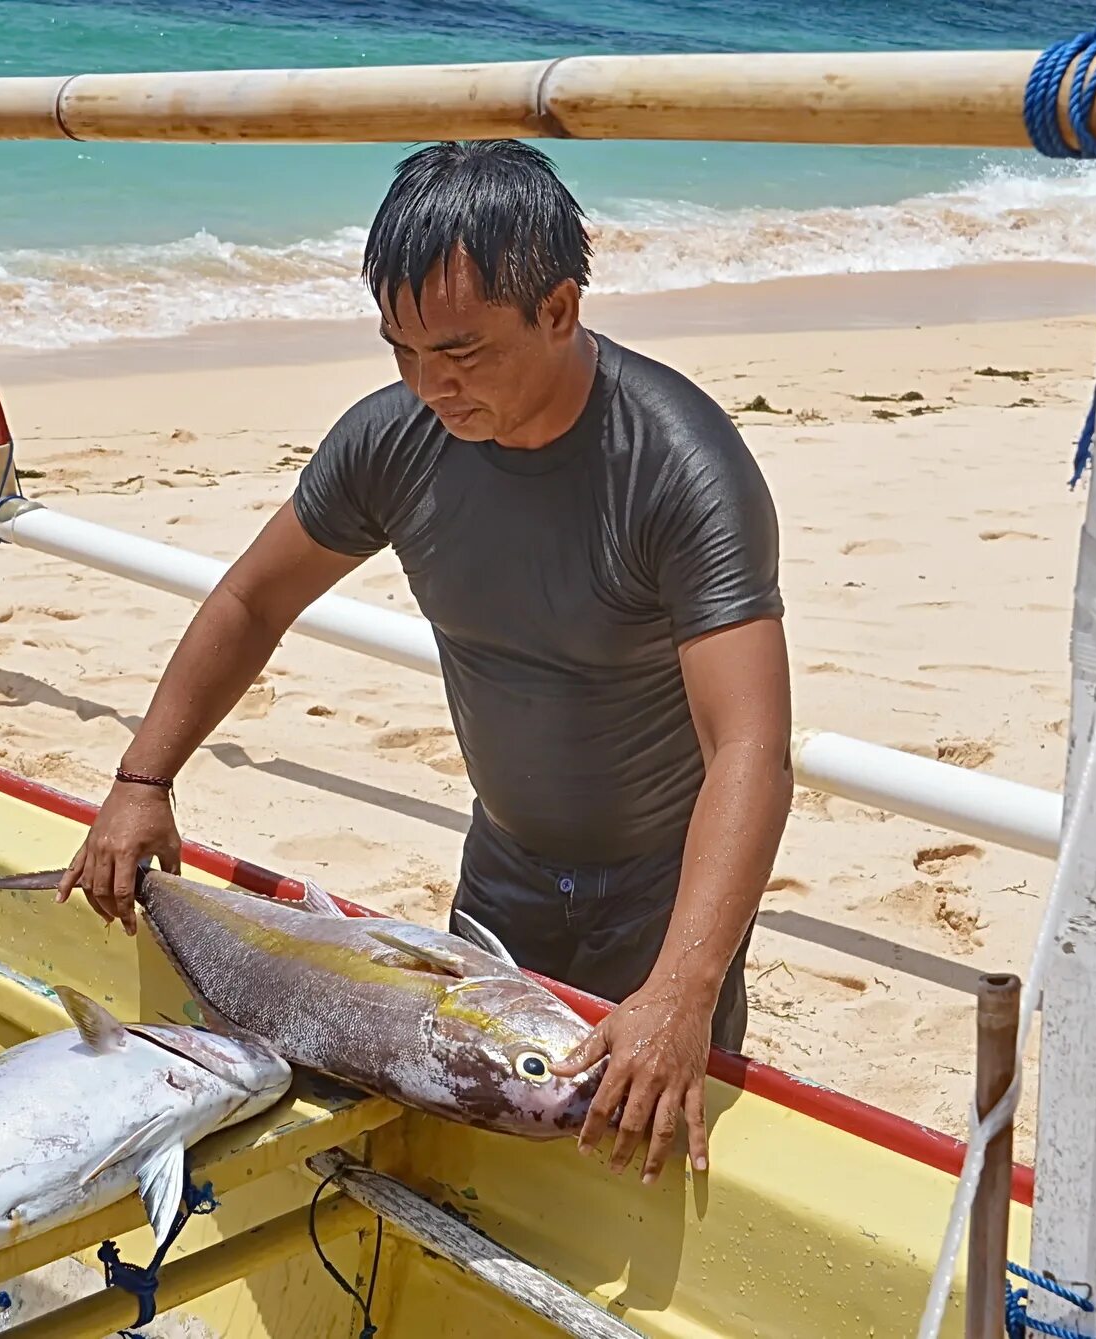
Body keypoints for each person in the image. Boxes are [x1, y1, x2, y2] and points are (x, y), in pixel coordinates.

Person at [55, 139, 793, 1186]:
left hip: (666, 889)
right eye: (400, 349)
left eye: (461, 350)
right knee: (467, 1150)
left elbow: (749, 750)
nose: (428, 383)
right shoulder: (395, 439)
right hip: (506, 865)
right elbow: (252, 596)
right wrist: (142, 779)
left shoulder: (679, 468)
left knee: (643, 1149)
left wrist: (683, 985)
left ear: (560, 310)